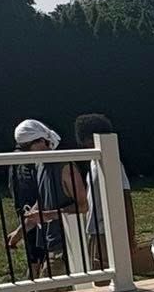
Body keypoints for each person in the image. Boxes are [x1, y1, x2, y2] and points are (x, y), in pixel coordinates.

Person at [7, 120, 87, 272]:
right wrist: (19, 233)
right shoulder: (40, 166)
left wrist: (47, 215)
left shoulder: (65, 166)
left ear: (42, 141)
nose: (25, 153)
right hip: (50, 244)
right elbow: (43, 201)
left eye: (27, 147)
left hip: (67, 245)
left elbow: (83, 205)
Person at [73, 111, 137, 273]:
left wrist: (130, 237)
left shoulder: (113, 163)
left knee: (106, 278)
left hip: (105, 232)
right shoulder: (94, 162)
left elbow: (125, 198)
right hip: (94, 231)